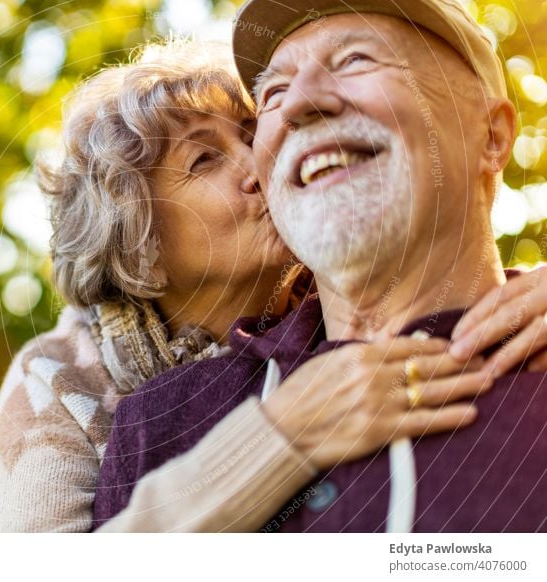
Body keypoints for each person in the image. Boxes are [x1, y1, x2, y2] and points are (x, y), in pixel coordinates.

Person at [93, 0, 547, 532]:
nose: (299, 105)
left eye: (356, 60)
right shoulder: (160, 422)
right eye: (274, 94)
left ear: (490, 136)